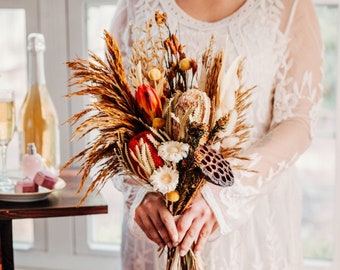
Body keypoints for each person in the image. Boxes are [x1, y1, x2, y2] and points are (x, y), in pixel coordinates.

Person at [110, 0, 323, 269]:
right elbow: (115, 119)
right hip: (161, 222)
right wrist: (139, 191)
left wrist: (225, 194)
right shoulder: (138, 6)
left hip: (252, 221)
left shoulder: (289, 6)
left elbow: (297, 120)